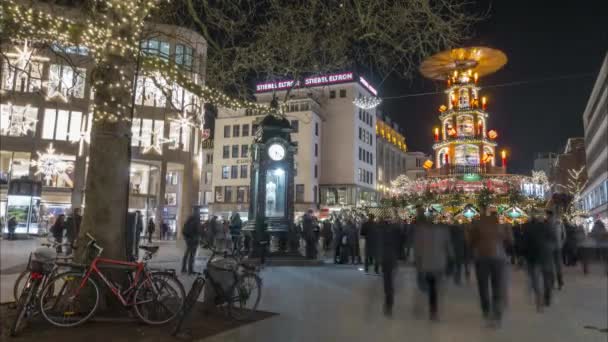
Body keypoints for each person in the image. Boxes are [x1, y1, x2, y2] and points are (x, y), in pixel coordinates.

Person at [469, 209, 513, 327]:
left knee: (483, 287)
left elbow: (470, 241)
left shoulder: (477, 226)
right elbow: (510, 240)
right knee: (497, 286)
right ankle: (497, 314)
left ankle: (486, 311)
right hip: (498, 258)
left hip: (481, 258)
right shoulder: (501, 225)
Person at [414, 207, 452, 321]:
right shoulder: (442, 232)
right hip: (439, 263)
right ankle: (434, 310)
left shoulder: (422, 233)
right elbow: (448, 246)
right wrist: (451, 258)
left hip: (427, 263)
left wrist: (417, 261)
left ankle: (431, 309)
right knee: (435, 287)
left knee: (430, 287)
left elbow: (418, 248)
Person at [522, 210, 556, 311]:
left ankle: (540, 301)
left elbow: (525, 244)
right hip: (546, 256)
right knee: (547, 278)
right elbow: (553, 240)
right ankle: (547, 297)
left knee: (536, 280)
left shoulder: (528, 228)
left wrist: (524, 257)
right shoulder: (547, 227)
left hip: (534, 257)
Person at [376, 211, 402, 316]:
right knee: (389, 282)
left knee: (387, 282)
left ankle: (388, 304)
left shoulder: (380, 233)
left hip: (385, 258)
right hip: (392, 258)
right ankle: (389, 303)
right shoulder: (394, 232)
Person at [546, 210, 565, 289]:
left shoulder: (546, 224)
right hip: (558, 247)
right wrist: (561, 243)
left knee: (551, 265)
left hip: (550, 248)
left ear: (549, 215)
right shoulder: (559, 223)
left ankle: (553, 282)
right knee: (558, 265)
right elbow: (564, 235)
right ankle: (560, 283)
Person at [449, 219, 466, 285]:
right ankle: (458, 278)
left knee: (454, 263)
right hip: (459, 249)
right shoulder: (461, 230)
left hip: (452, 248)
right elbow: (463, 240)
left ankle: (454, 276)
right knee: (459, 265)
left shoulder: (450, 230)